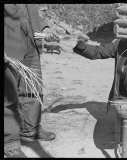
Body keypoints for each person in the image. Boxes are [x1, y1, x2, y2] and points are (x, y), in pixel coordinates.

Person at [4, 4, 59, 158]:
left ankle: (30, 129)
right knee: (9, 95)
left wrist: (44, 28)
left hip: (31, 44)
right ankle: (10, 143)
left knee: (32, 89)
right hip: (8, 45)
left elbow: (30, 14)